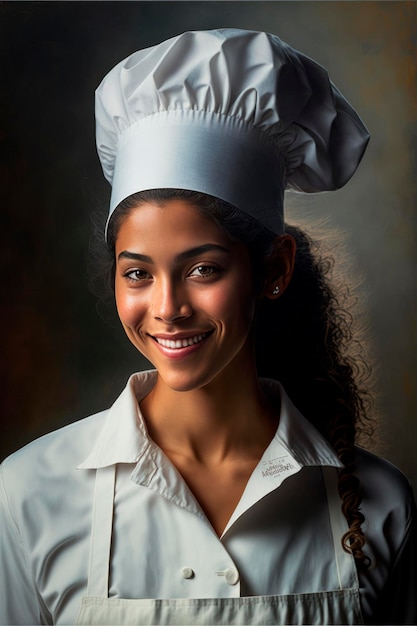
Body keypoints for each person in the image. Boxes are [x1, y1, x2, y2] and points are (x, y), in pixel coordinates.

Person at [0, 28, 416, 626]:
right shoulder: (28, 496)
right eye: (138, 273)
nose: (168, 307)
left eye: (202, 268)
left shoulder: (383, 505)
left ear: (274, 268)